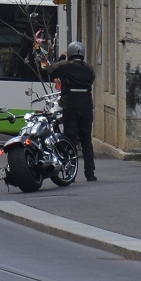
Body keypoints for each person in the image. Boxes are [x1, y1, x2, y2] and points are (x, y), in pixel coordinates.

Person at [45, 41, 97, 182]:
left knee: (70, 140)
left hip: (70, 106)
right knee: (86, 140)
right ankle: (90, 173)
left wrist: (62, 58)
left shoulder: (65, 66)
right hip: (86, 106)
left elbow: (50, 70)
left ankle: (70, 172)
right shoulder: (89, 68)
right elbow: (92, 79)